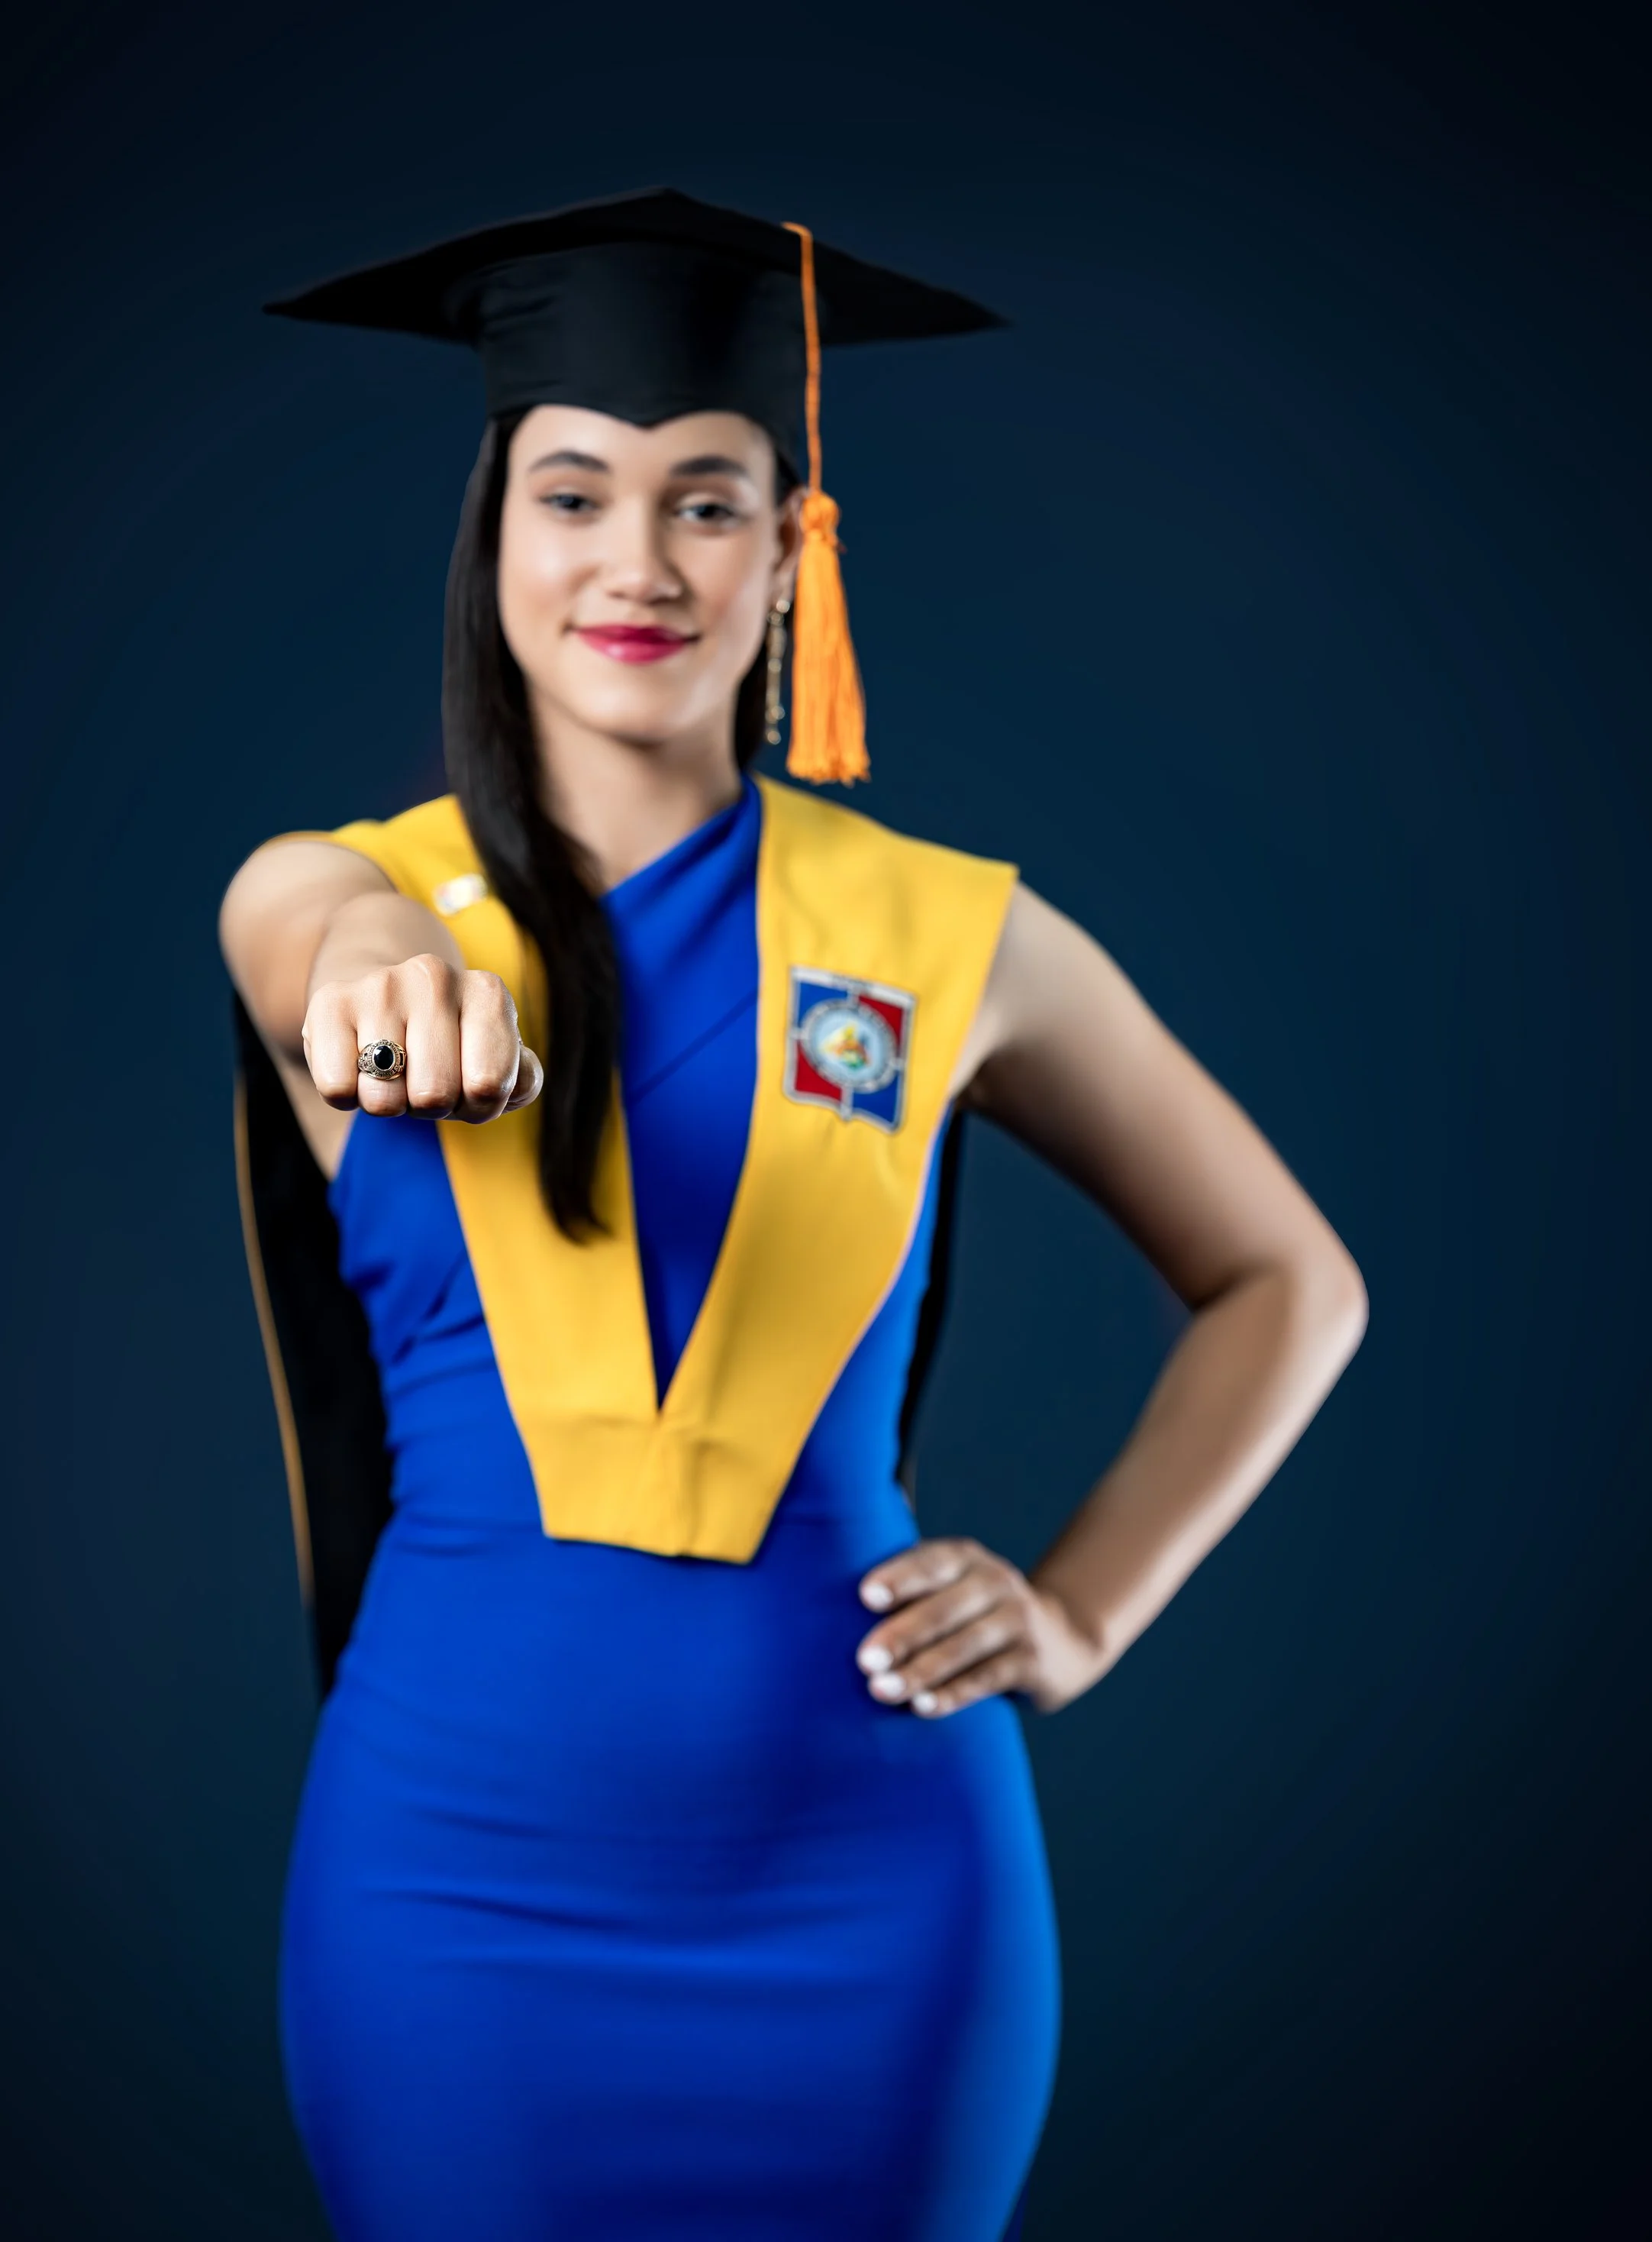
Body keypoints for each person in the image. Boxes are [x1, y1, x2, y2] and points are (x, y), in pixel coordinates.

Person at [218, 188, 1368, 2242]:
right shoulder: (329, 892)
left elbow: (1287, 1281)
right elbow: (310, 938)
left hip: (874, 1892)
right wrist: (384, 955)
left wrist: (1081, 1610)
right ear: (495, 532)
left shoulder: (948, 938)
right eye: (571, 495)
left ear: (791, 555)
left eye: (709, 503)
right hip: (455, 1894)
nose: (634, 562)